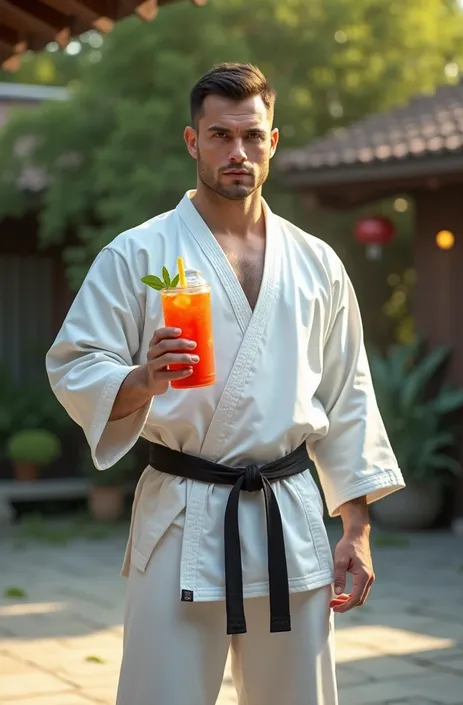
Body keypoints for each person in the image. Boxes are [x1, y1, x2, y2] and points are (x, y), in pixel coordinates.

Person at [46, 63, 405, 705]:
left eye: (252, 136)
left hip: (287, 513)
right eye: (219, 135)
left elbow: (348, 395)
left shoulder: (317, 263)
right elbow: (74, 362)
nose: (237, 152)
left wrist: (356, 530)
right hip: (182, 510)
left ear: (273, 140)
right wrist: (141, 378)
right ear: (192, 141)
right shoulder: (139, 254)